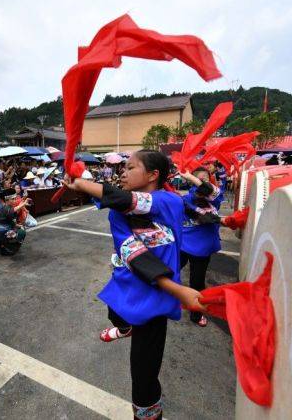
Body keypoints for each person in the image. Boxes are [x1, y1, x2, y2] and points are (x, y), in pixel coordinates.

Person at [63, 150, 204, 419]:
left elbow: (126, 200)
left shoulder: (169, 201)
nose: (123, 173)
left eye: (130, 167)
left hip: (156, 300)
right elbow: (131, 252)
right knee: (114, 313)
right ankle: (125, 327)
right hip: (127, 287)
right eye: (123, 168)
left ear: (153, 175)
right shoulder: (117, 214)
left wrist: (81, 182)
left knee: (142, 377)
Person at [178, 167, 223, 326]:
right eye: (199, 179)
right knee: (169, 272)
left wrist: (194, 178)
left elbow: (210, 191)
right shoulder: (185, 199)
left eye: (206, 179)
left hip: (202, 249)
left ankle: (195, 315)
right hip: (183, 246)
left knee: (197, 283)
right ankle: (162, 299)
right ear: (191, 181)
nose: (203, 182)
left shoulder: (214, 198)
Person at [0, 189, 29, 256]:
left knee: (21, 228)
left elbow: (11, 219)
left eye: (15, 198)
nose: (14, 200)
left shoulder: (8, 206)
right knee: (21, 232)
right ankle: (5, 247)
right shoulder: (5, 207)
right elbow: (14, 210)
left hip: (2, 230)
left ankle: (9, 246)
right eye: (13, 199)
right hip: (0, 233)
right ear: (7, 200)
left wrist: (17, 225)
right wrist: (23, 203)